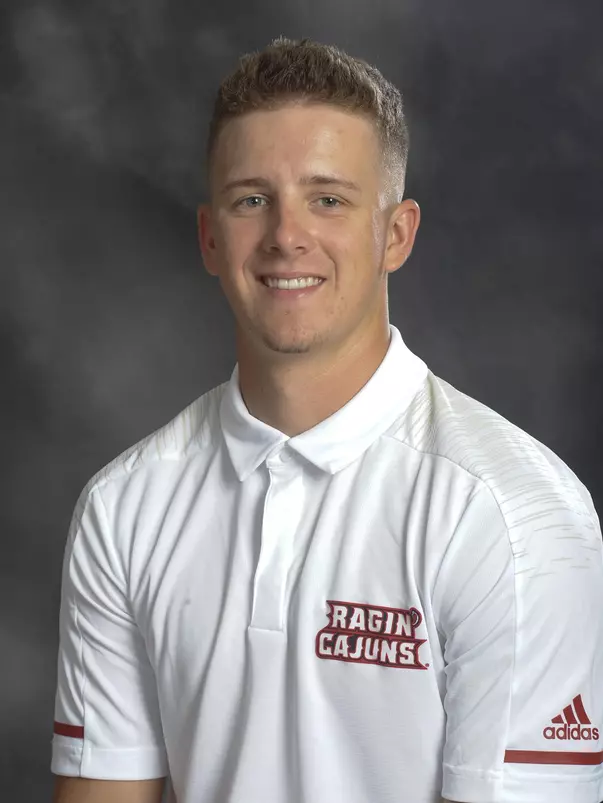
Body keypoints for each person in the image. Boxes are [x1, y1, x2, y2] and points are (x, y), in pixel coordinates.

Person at [50, 36, 603, 803]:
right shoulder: (124, 508)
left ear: (395, 234)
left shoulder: (513, 515)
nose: (285, 236)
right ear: (210, 237)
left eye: (328, 198)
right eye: (252, 199)